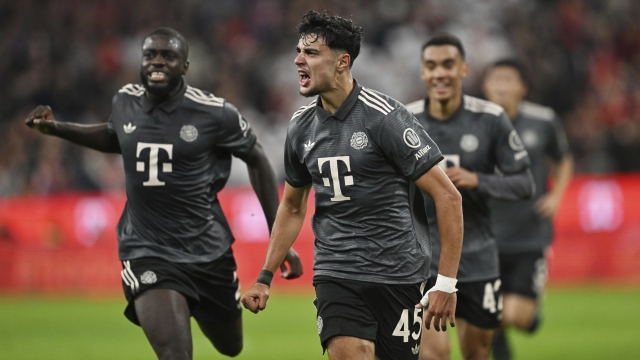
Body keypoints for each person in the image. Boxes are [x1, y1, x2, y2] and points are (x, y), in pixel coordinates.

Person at [24, 27, 303, 359]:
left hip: (207, 251)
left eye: (168, 56)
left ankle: (195, 300)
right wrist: (58, 129)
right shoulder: (125, 100)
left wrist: (278, 234)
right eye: (150, 55)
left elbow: (256, 157)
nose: (157, 61)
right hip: (147, 249)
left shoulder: (214, 113)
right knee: (175, 354)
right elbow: (116, 136)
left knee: (231, 347)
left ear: (185, 66)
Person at [241, 11, 464, 360]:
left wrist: (446, 283)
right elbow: (293, 205)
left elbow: (448, 196)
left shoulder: (385, 117)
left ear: (343, 62)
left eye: (312, 53)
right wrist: (265, 276)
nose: (299, 60)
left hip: (398, 273)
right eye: (299, 51)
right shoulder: (300, 126)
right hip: (336, 271)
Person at [406, 33, 535, 360]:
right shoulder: (403, 120)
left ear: (463, 69)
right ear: (422, 72)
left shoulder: (490, 119)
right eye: (431, 66)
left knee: (476, 354)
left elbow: (524, 184)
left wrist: (478, 180)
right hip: (423, 261)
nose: (440, 74)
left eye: (448, 65)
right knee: (433, 355)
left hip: (478, 258)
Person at [482, 59, 573, 360]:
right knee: (487, 313)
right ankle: (500, 347)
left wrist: (557, 196)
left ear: (522, 87)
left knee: (515, 317)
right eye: (496, 79)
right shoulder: (473, 123)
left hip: (529, 234)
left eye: (509, 80)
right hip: (485, 236)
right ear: (486, 86)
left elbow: (563, 160)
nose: (502, 86)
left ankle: (524, 319)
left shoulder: (543, 120)